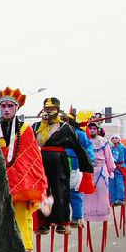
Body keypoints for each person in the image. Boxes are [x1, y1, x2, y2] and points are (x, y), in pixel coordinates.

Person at [0, 87, 48, 252]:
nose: (7, 109)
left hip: (21, 181)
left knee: (21, 215)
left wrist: (18, 178)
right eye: (4, 106)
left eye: (10, 106)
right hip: (1, 182)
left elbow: (30, 158)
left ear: (17, 108)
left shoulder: (25, 129)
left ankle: (24, 249)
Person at [32, 98, 93, 235]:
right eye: (46, 109)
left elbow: (78, 147)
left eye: (52, 109)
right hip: (40, 163)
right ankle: (44, 223)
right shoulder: (35, 127)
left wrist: (87, 166)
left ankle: (61, 222)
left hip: (59, 162)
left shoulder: (65, 128)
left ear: (58, 110)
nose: (48, 112)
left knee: (60, 190)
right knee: (43, 192)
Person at [82, 121, 116, 225]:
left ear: (98, 130)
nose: (92, 131)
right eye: (90, 129)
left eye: (94, 129)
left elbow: (108, 156)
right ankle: (88, 214)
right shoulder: (84, 140)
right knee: (88, 193)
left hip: (101, 169)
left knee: (102, 192)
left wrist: (111, 170)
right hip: (88, 170)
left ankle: (103, 214)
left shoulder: (103, 141)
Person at [65, 113, 95, 228]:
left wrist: (89, 162)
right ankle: (62, 219)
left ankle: (77, 217)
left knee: (74, 192)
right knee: (60, 193)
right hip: (58, 164)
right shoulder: (57, 132)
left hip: (75, 164)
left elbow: (88, 147)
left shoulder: (80, 134)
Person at [108, 135, 126, 205]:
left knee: (120, 184)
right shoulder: (109, 148)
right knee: (111, 185)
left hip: (120, 168)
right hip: (112, 168)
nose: (114, 139)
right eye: (112, 138)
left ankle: (120, 199)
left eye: (116, 138)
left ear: (119, 139)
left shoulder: (123, 148)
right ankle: (113, 200)